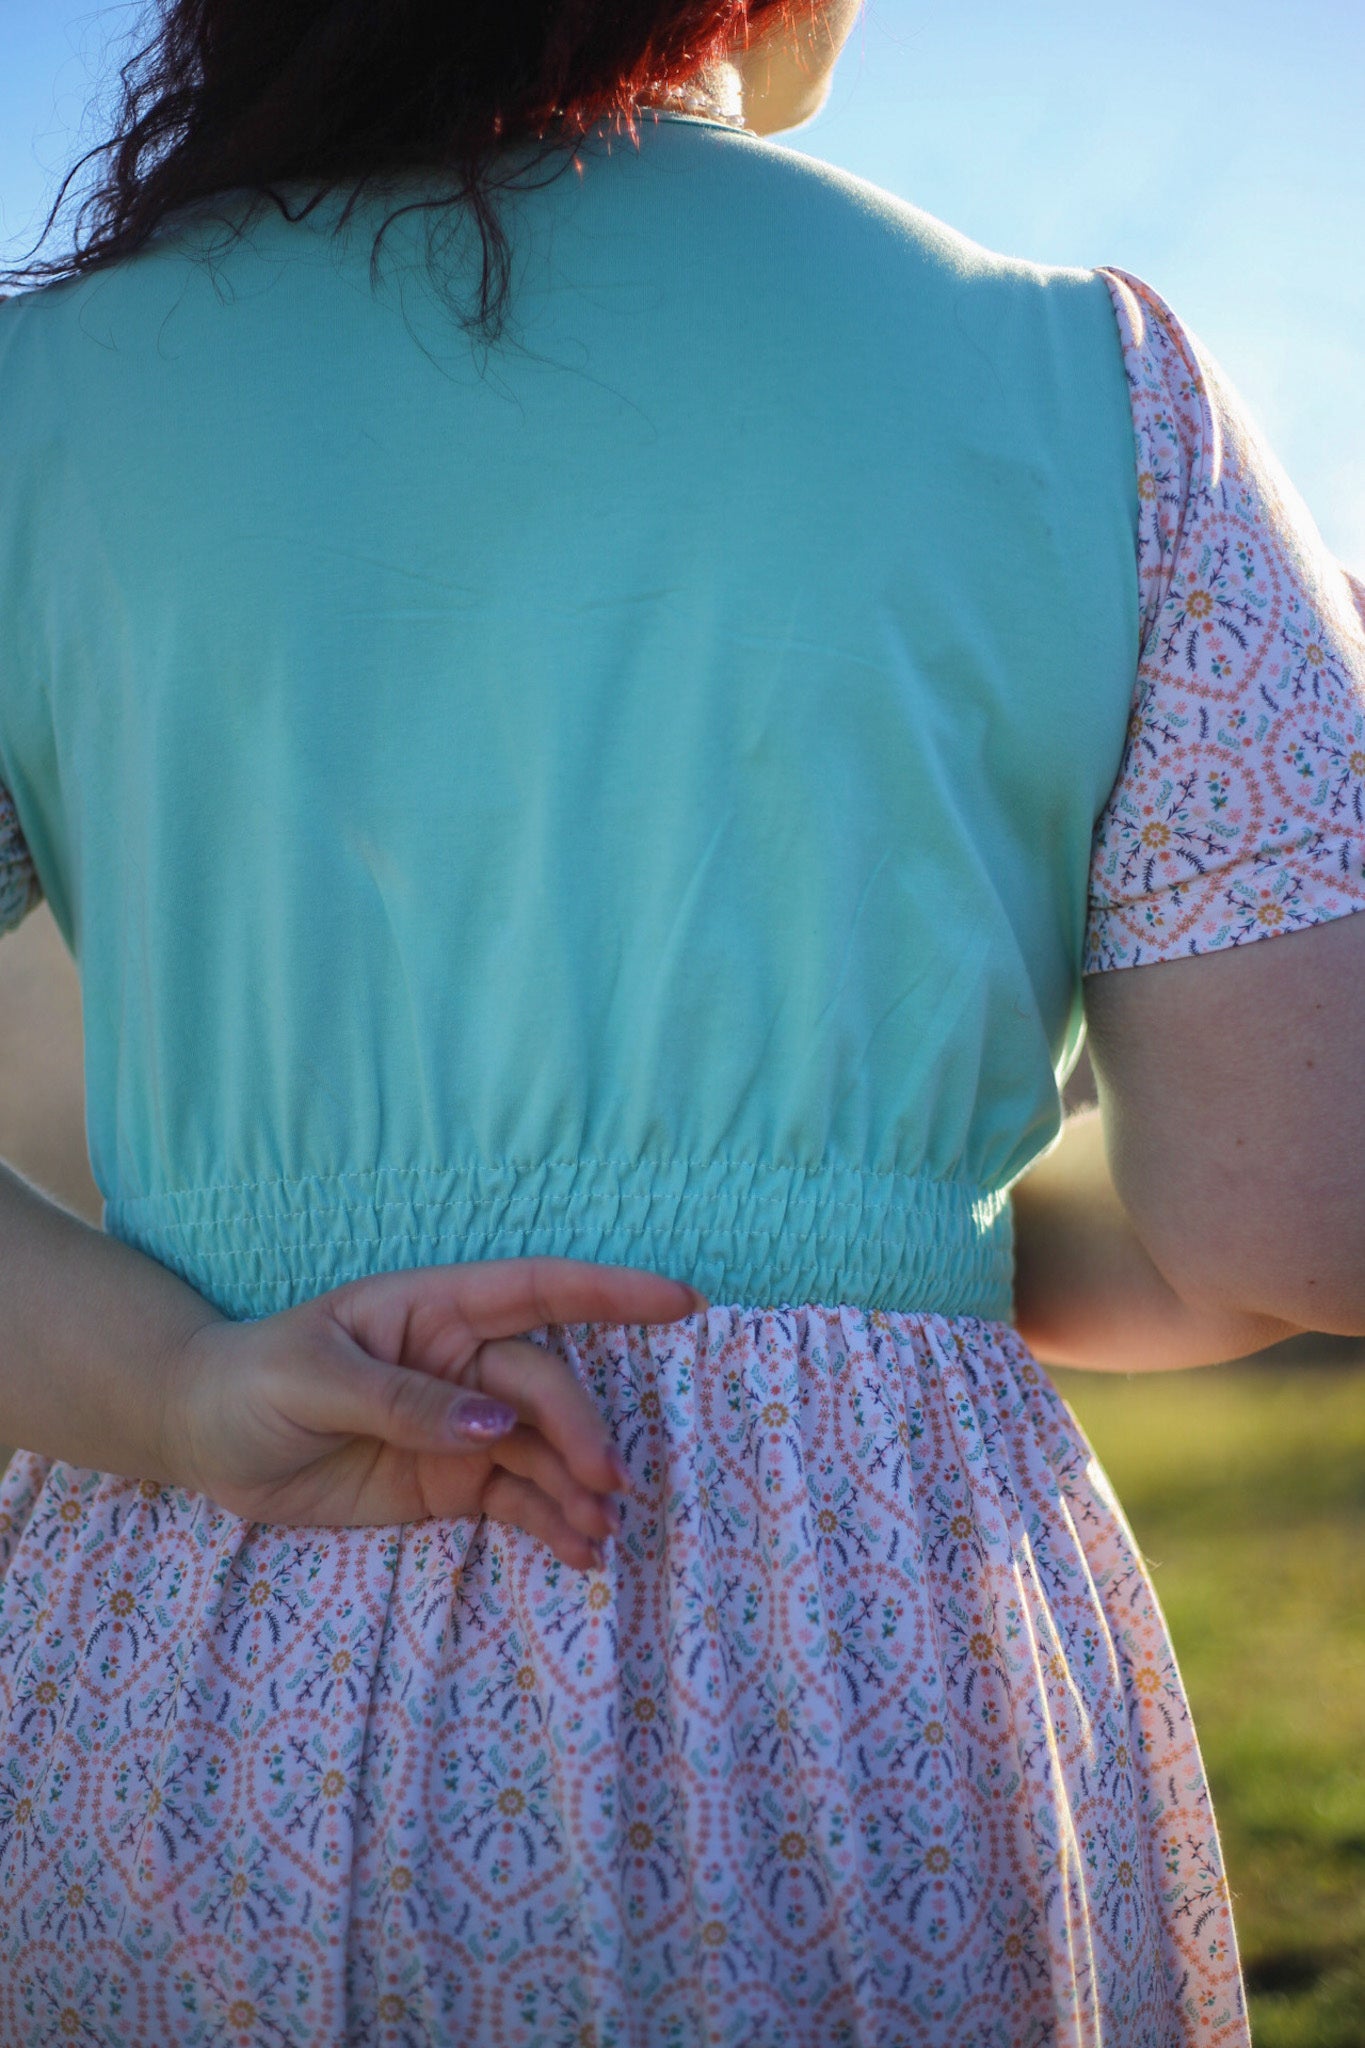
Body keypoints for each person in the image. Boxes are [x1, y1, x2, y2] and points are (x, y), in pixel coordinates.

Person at [0, 1, 1361, 2042]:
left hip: (188, 1664)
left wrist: (182, 1381)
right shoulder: (1091, 380)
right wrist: (867, 1239)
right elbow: (1287, 1208)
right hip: (874, 1671)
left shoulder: (35, 401)